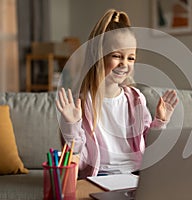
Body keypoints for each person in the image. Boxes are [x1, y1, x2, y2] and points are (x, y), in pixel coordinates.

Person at [56, 9, 179, 179]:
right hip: (101, 176)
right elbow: (80, 160)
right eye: (117, 56)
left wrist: (160, 122)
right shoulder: (82, 103)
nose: (124, 64)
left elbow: (150, 146)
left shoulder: (136, 98)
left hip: (137, 175)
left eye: (131, 58)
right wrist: (72, 125)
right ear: (97, 56)